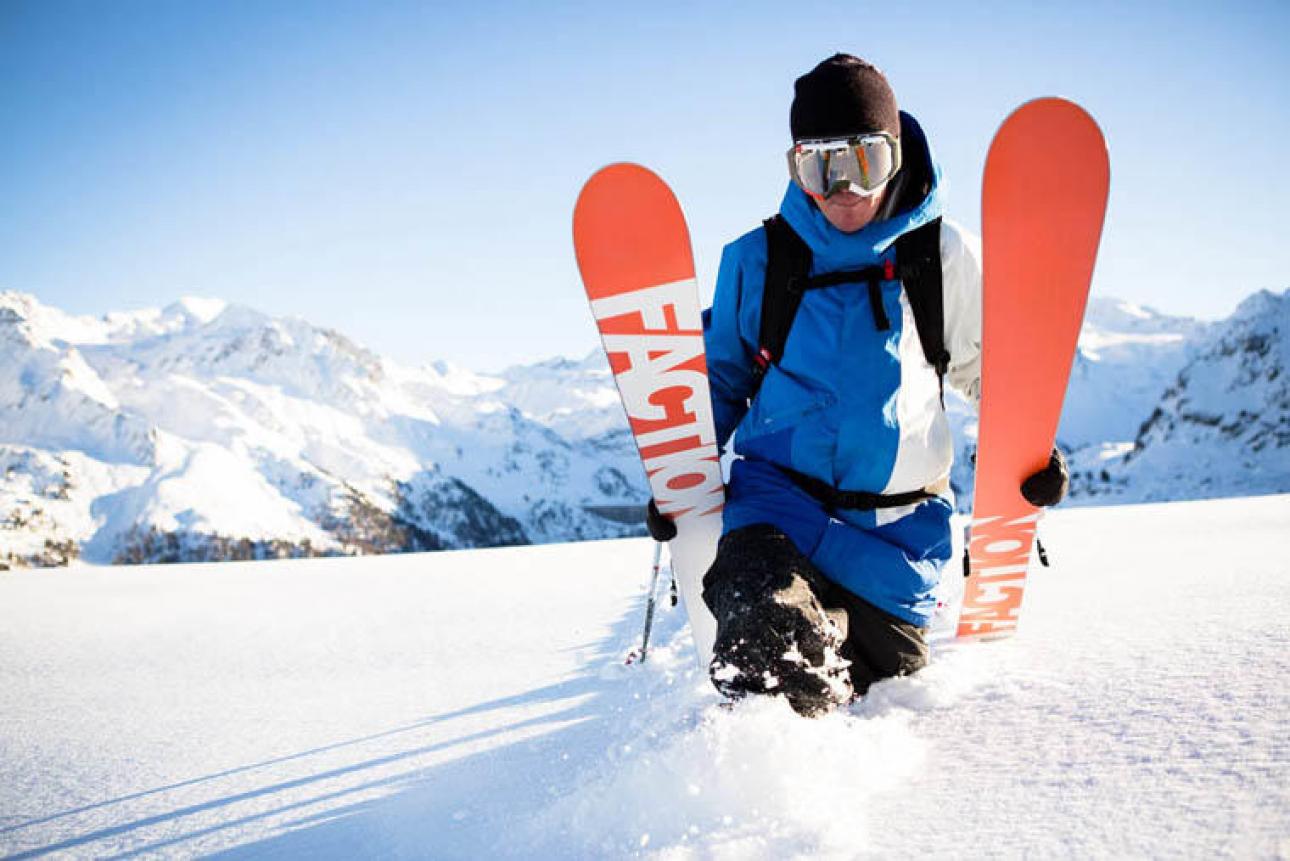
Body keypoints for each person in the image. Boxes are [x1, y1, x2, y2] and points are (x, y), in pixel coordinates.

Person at [647, 53, 1068, 716]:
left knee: (880, 686)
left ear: (895, 155)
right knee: (763, 634)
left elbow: (988, 372)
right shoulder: (758, 259)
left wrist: (1030, 456)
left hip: (897, 537)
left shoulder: (942, 256)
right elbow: (723, 382)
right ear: (796, 168)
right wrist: (678, 474)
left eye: (863, 161)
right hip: (777, 509)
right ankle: (759, 779)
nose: (843, 188)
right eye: (820, 166)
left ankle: (833, 646)